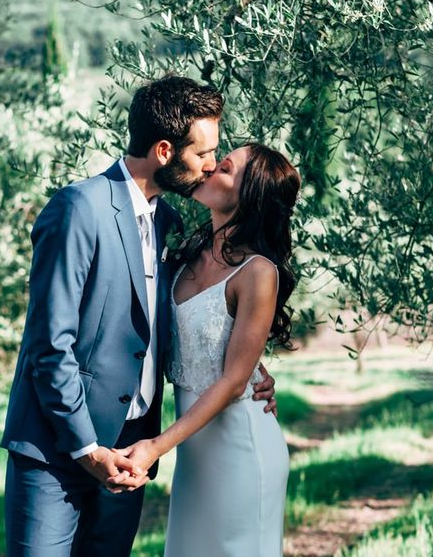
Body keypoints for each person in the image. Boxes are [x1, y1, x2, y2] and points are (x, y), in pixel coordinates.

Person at [0, 77, 278, 556]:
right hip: (56, 451)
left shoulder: (169, 225)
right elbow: (49, 346)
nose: (211, 165)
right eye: (205, 153)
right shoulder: (79, 209)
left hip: (130, 455)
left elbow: (178, 321)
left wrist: (248, 369)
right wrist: (87, 450)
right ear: (166, 151)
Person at [119, 142, 301, 556]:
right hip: (195, 452)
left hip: (241, 448)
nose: (207, 168)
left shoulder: (258, 272)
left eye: (224, 168)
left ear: (249, 194)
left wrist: (155, 447)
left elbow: (235, 380)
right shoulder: (184, 253)